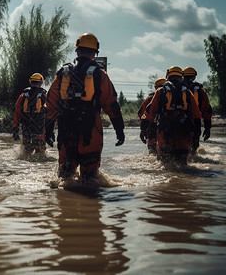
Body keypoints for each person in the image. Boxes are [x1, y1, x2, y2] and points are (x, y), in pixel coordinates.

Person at [45, 33, 125, 182]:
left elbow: (51, 104)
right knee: (90, 180)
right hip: (90, 133)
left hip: (66, 131)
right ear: (95, 53)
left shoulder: (63, 73)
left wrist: (48, 130)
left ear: (77, 51)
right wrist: (119, 129)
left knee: (64, 176)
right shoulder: (100, 74)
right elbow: (111, 104)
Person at [141, 66, 201, 168]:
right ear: (181, 77)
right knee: (183, 164)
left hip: (166, 131)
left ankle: (169, 181)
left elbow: (150, 112)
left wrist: (143, 130)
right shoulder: (187, 92)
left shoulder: (160, 91)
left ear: (168, 76)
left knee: (165, 164)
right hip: (184, 131)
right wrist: (197, 132)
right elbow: (197, 114)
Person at [12, 73, 48, 154]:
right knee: (40, 154)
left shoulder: (23, 96)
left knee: (26, 152)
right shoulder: (44, 95)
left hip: (26, 128)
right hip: (40, 129)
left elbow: (16, 112)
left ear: (30, 82)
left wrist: (15, 129)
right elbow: (50, 111)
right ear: (41, 82)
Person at [183, 67, 213, 153]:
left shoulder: (176, 89)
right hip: (195, 122)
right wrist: (207, 129)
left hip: (178, 121)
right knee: (193, 149)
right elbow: (207, 110)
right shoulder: (201, 91)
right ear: (194, 77)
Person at [138, 77, 167, 154]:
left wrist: (143, 129)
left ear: (156, 87)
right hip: (166, 129)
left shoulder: (150, 98)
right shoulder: (175, 96)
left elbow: (141, 113)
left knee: (152, 153)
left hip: (152, 129)